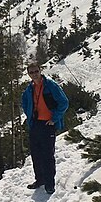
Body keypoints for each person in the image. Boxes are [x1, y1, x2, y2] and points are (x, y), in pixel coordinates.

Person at [21, 62, 69, 194]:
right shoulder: (29, 88)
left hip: (48, 124)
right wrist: (29, 115)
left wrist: (54, 118)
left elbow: (64, 102)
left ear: (40, 71)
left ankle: (49, 183)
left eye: (36, 71)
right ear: (28, 74)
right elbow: (24, 102)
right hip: (35, 124)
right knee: (36, 154)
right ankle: (40, 179)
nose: (34, 74)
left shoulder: (50, 85)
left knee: (48, 155)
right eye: (31, 72)